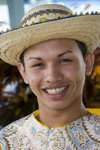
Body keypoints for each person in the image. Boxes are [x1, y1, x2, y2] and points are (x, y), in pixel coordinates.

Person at [0, 3, 100, 150]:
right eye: (38, 64)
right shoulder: (7, 142)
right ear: (24, 73)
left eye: (65, 60)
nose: (52, 77)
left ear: (87, 63)